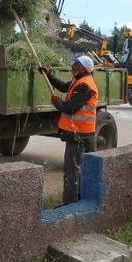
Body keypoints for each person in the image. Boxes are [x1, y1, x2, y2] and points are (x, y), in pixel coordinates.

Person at [39, 55, 98, 204]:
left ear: (83, 68)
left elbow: (70, 108)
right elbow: (64, 87)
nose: (72, 66)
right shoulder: (79, 80)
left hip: (80, 134)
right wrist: (49, 76)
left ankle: (70, 204)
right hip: (79, 132)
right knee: (77, 169)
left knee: (72, 171)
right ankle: (78, 199)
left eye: (75, 64)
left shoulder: (85, 85)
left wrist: (57, 102)